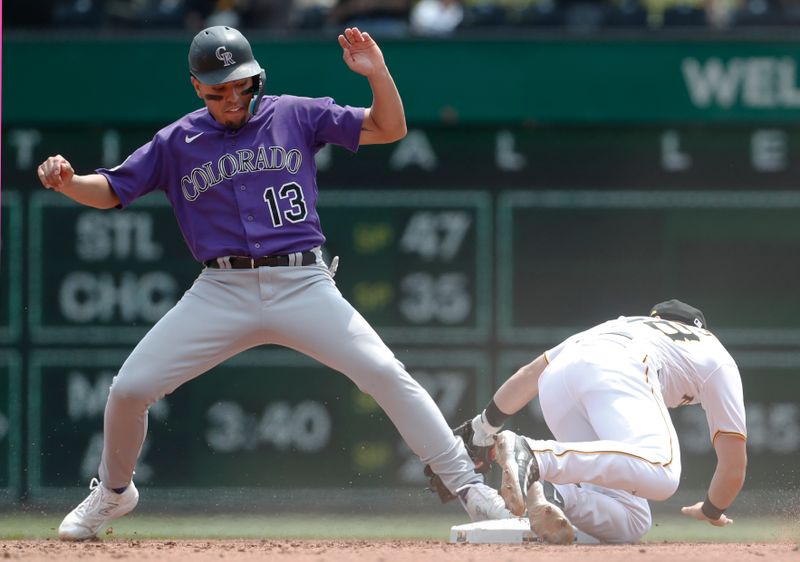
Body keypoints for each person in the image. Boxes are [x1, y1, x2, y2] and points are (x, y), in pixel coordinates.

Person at [37, 25, 511, 541]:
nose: (232, 98)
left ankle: (468, 487)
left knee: (383, 372)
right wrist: (69, 181)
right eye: (218, 89)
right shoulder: (177, 141)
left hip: (302, 280)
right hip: (221, 289)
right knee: (129, 390)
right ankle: (113, 492)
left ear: (256, 77)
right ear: (197, 86)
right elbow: (110, 190)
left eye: (241, 84)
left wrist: (377, 73)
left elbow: (388, 127)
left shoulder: (294, 113)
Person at [464, 299, 748, 543]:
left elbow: (529, 375)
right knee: (663, 472)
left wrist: (483, 428)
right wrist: (711, 509)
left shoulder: (624, 324)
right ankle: (535, 456)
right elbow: (733, 466)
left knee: (632, 519)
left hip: (558, 381)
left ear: (656, 320)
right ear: (700, 328)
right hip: (622, 367)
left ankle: (554, 494)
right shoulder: (715, 353)